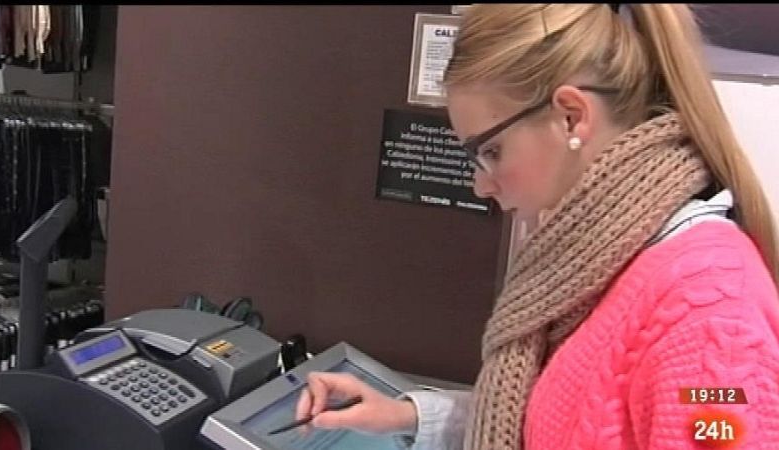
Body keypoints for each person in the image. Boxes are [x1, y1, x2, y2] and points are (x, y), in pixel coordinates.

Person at [295, 4, 779, 449]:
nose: (481, 185)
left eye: (490, 151)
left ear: (571, 117)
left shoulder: (710, 313)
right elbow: (563, 417)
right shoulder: (598, 261)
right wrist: (406, 415)